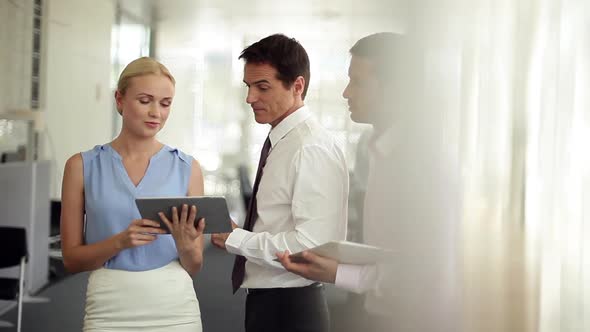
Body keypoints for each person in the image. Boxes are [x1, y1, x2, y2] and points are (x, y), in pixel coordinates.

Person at [276, 33, 462, 332]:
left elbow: (427, 274)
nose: (346, 93)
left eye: (358, 82)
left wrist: (341, 273)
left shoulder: (425, 163)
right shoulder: (378, 148)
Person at [210, 34, 349, 332]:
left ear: (297, 86)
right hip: (270, 303)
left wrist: (237, 239)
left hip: (292, 307)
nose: (250, 98)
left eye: (263, 87)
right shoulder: (284, 142)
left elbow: (313, 246)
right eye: (249, 87)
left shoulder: (309, 147)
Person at [60, 57, 205, 332]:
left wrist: (186, 245)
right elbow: (71, 260)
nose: (156, 113)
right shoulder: (80, 166)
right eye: (144, 100)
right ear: (119, 100)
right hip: (108, 306)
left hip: (175, 307)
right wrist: (119, 242)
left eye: (165, 103)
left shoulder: (188, 168)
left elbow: (194, 265)